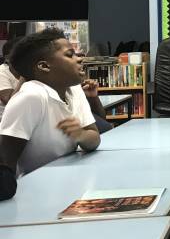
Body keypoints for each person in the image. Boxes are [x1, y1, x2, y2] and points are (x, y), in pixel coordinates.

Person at [0, 29, 100, 200]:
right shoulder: (31, 96)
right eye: (70, 55)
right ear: (44, 66)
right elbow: (5, 166)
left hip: (66, 185)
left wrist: (81, 135)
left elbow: (94, 139)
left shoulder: (74, 89)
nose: (80, 59)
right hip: (35, 195)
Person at [0, 39, 21, 121]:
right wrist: (24, 77)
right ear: (8, 58)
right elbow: (9, 101)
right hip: (4, 121)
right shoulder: (2, 72)